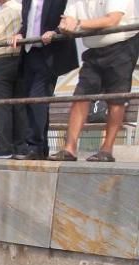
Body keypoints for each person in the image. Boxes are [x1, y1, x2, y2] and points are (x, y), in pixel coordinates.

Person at [48, 0, 138, 162]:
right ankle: (70, 148)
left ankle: (107, 149)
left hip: (122, 45)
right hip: (94, 48)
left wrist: (79, 23)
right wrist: (65, 25)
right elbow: (67, 20)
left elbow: (112, 20)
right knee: (80, 95)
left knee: (116, 99)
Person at [11, 0, 78, 159]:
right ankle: (40, 147)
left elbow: (69, 17)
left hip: (49, 53)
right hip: (29, 52)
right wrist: (20, 33)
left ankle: (33, 145)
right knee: (33, 101)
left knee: (37, 98)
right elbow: (28, 22)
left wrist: (55, 31)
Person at [0, 0, 28, 158]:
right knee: (20, 105)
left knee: (1, 107)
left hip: (1, 61)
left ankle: (4, 147)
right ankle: (20, 146)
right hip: (23, 59)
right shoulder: (25, 11)